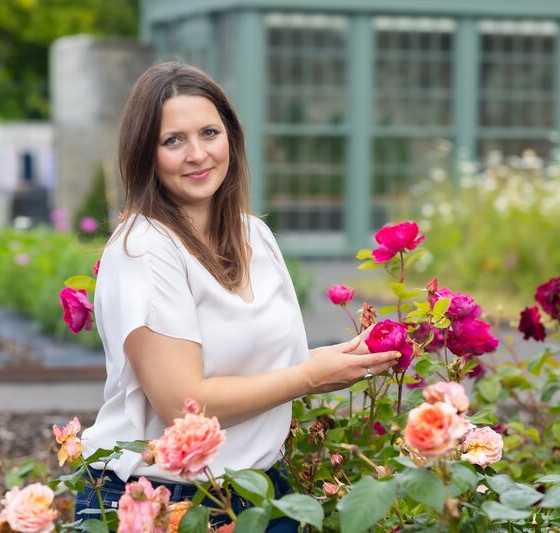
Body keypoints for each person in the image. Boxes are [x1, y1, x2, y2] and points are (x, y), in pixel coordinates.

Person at [74, 62, 401, 530]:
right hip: (168, 501)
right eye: (173, 140)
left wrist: (336, 361)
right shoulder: (145, 248)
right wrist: (309, 375)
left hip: (262, 490)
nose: (197, 153)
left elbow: (261, 367)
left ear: (231, 137)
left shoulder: (256, 236)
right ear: (145, 153)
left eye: (209, 132)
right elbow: (184, 405)